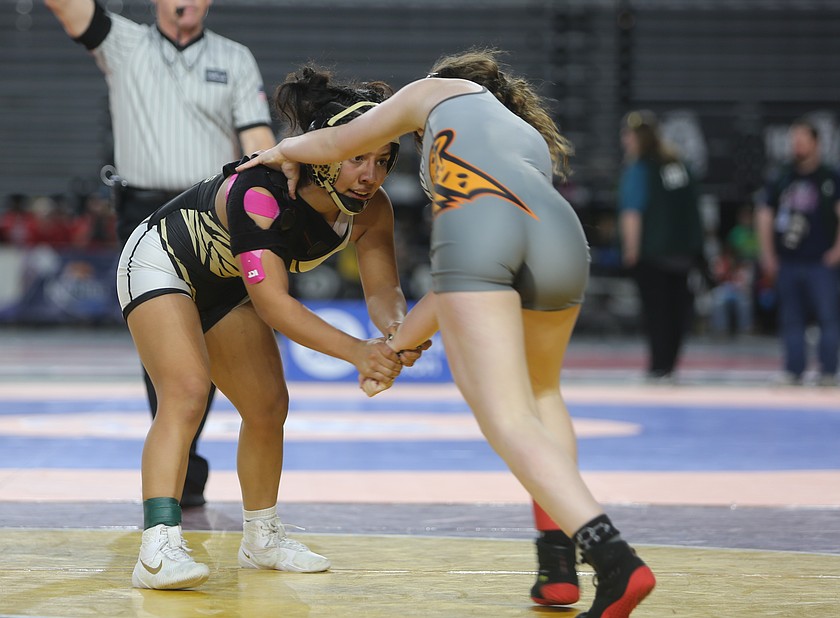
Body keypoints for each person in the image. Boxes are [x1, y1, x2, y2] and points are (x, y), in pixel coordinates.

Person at [240, 49, 656, 618]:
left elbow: (340, 143)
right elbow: (447, 294)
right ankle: (556, 566)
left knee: (506, 416)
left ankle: (614, 559)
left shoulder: (435, 91)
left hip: (488, 220)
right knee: (541, 395)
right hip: (562, 232)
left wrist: (281, 151)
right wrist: (398, 342)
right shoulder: (524, 137)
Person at [116, 66, 427, 590]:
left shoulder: (372, 210)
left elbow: (382, 291)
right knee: (187, 393)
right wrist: (358, 353)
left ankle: (261, 538)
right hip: (162, 260)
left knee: (266, 407)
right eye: (357, 158)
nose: (370, 175)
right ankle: (157, 547)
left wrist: (398, 331)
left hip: (224, 284)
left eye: (381, 161)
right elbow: (277, 307)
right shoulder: (263, 191)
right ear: (327, 152)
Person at [45, 0, 278, 506]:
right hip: (144, 212)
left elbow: (257, 136)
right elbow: (68, 9)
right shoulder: (123, 44)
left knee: (210, 338)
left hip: (212, 216)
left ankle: (184, 469)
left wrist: (270, 200)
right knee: (169, 352)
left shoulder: (235, 58)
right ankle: (180, 475)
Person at [618, 110, 704, 383]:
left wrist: (631, 250)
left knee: (656, 312)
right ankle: (670, 365)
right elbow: (694, 208)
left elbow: (633, 211)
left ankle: (658, 366)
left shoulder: (640, 167)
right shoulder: (679, 165)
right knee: (677, 311)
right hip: (682, 252)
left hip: (653, 252)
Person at [756, 117, 840, 386]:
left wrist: (837, 250)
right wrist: (767, 253)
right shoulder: (781, 177)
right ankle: (794, 369)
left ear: (816, 143)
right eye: (794, 140)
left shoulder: (829, 177)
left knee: (828, 317)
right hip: (788, 260)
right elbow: (765, 214)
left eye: (802, 140)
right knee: (791, 318)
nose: (797, 145)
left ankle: (828, 370)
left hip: (820, 260)